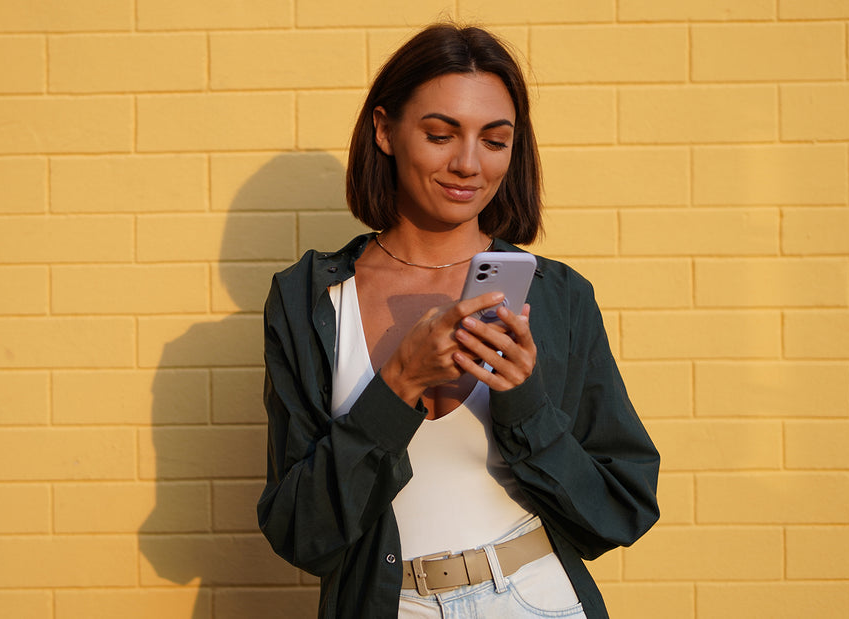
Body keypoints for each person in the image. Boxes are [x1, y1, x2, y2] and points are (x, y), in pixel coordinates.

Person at [257, 24, 660, 619]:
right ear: (384, 130)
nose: (468, 164)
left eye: (495, 141)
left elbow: (620, 508)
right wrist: (397, 387)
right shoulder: (311, 298)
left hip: (538, 598)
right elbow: (300, 533)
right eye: (441, 134)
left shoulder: (557, 295)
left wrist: (525, 403)